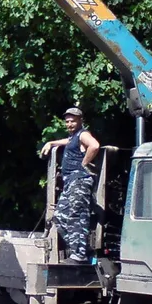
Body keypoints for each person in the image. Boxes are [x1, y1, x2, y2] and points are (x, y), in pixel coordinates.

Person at [40, 107, 100, 264]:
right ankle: (81, 249)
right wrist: (51, 142)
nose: (69, 124)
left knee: (76, 216)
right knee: (59, 217)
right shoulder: (74, 137)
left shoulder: (84, 134)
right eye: (67, 121)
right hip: (71, 182)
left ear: (80, 120)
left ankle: (79, 255)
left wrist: (84, 163)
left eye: (73, 121)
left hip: (80, 181)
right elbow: (67, 141)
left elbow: (94, 145)